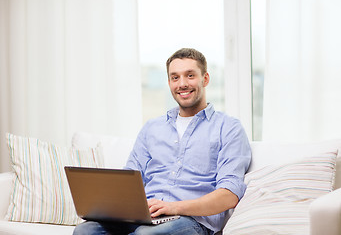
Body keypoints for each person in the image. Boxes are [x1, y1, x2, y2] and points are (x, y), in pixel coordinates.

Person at [73, 48, 251, 235]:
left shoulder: (228, 128)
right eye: (175, 78)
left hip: (191, 221)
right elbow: (129, 179)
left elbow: (229, 195)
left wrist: (174, 207)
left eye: (190, 75)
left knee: (145, 234)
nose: (182, 84)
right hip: (143, 217)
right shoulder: (152, 128)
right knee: (85, 231)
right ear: (169, 82)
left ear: (205, 79)